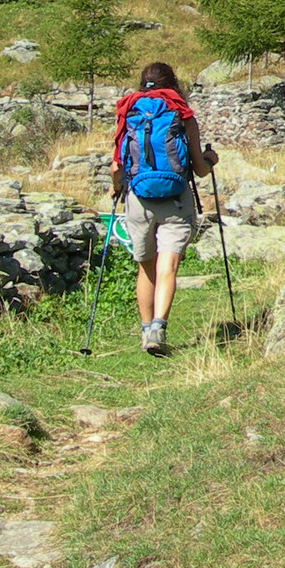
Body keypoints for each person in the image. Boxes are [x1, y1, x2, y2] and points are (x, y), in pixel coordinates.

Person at [111, 62, 213, 354]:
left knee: (146, 267)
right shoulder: (182, 115)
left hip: (138, 200)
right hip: (176, 199)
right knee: (168, 266)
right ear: (173, 83)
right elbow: (200, 169)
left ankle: (145, 332)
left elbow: (116, 166)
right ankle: (158, 328)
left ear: (143, 83)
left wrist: (117, 187)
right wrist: (211, 158)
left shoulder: (129, 112)